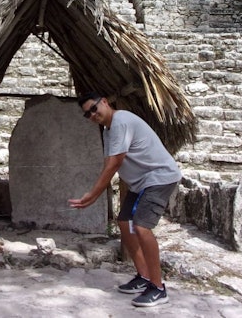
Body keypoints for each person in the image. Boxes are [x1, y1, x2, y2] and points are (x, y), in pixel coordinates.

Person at [68, 92, 182, 308]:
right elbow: (109, 161)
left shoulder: (120, 121)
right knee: (124, 222)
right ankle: (144, 276)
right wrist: (95, 191)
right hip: (141, 183)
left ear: (104, 102)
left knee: (141, 227)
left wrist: (92, 195)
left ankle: (158, 288)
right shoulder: (109, 131)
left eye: (94, 108)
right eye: (87, 114)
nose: (93, 115)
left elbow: (115, 163)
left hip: (158, 177)